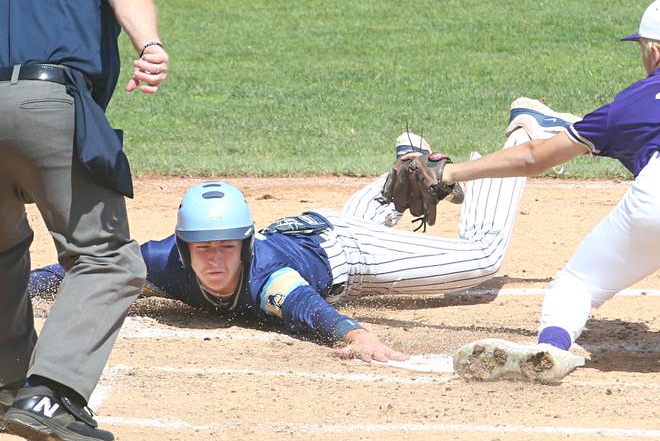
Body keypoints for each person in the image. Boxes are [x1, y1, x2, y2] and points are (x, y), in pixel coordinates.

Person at [421, 0, 660, 383]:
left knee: (577, 285)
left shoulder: (634, 100)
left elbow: (534, 156)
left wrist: (451, 173)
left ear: (654, 52)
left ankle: (552, 346)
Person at [27, 127, 550, 365]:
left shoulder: (267, 276)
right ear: (183, 248)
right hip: (308, 230)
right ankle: (410, 163)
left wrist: (358, 338)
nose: (213, 259)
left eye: (226, 247)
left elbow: (310, 309)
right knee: (337, 226)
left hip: (348, 254)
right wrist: (23, 286)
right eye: (202, 248)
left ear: (244, 244)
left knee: (481, 257)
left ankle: (525, 131)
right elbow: (95, 269)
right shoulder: (164, 259)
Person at [0, 0, 168, 441]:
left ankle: (5, 388)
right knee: (109, 257)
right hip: (45, 106)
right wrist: (150, 44)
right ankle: (50, 393)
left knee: (2, 249)